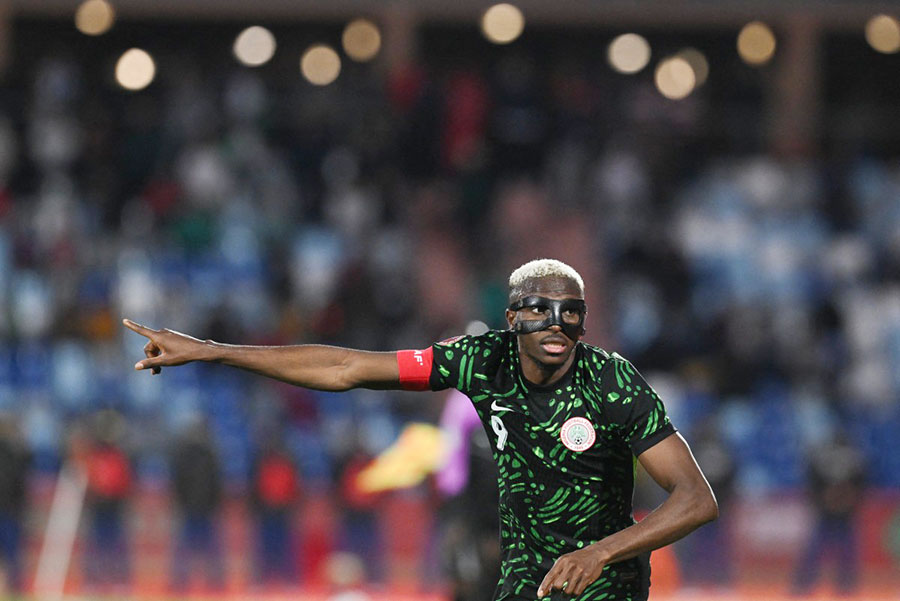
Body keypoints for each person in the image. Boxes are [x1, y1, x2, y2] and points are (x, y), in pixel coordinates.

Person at [123, 258, 717, 601]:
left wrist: (601, 552)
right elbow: (348, 367)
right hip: (524, 585)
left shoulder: (611, 381)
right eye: (540, 309)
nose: (556, 322)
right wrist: (212, 350)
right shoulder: (480, 360)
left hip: (604, 589)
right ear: (512, 317)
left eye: (571, 312)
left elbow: (697, 499)